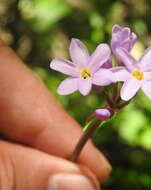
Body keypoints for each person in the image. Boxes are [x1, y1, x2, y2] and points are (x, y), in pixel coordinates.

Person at [0, 40, 111, 190]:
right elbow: (82, 87)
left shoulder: (97, 78)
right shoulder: (84, 79)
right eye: (84, 73)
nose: (85, 74)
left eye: (86, 73)